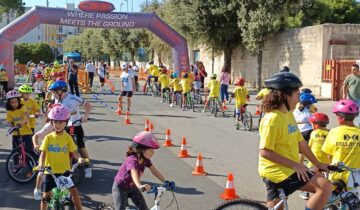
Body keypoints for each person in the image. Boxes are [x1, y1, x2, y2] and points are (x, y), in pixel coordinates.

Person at [259, 71, 332, 209]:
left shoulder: (288, 114)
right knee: (325, 186)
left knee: (276, 207)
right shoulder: (272, 119)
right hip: (277, 170)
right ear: (285, 95)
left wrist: (318, 163)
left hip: (286, 168)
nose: (299, 99)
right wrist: (296, 165)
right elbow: (264, 152)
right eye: (297, 95)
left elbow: (301, 143)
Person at [112, 131, 175, 210]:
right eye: (151, 150)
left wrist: (165, 181)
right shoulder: (132, 160)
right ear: (142, 150)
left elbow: (154, 170)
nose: (153, 153)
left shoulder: (145, 160)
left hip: (133, 187)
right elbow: (133, 172)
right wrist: (140, 185)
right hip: (120, 188)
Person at [38, 104, 84, 210]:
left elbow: (74, 152)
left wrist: (79, 158)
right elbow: (43, 153)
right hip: (50, 171)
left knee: (75, 194)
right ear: (52, 122)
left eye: (61, 122)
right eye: (55, 122)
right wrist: (41, 164)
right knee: (46, 197)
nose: (58, 125)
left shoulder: (67, 138)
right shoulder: (48, 138)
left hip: (65, 172)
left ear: (66, 122)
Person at [49, 80, 92, 178]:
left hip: (75, 125)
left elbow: (88, 105)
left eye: (54, 92)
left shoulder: (73, 98)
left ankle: (87, 166)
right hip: (63, 126)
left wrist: (85, 116)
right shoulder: (56, 99)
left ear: (61, 91)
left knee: (81, 146)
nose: (53, 94)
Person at [322, 99, 360, 189]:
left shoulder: (334, 132)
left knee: (332, 199)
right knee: (352, 199)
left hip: (336, 174)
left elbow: (328, 156)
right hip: (355, 177)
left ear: (341, 118)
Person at [299, 112, 331, 200]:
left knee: (308, 177)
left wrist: (301, 160)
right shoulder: (330, 133)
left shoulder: (313, 133)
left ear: (315, 125)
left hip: (314, 162)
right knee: (327, 179)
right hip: (327, 163)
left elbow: (308, 148)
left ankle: (306, 193)